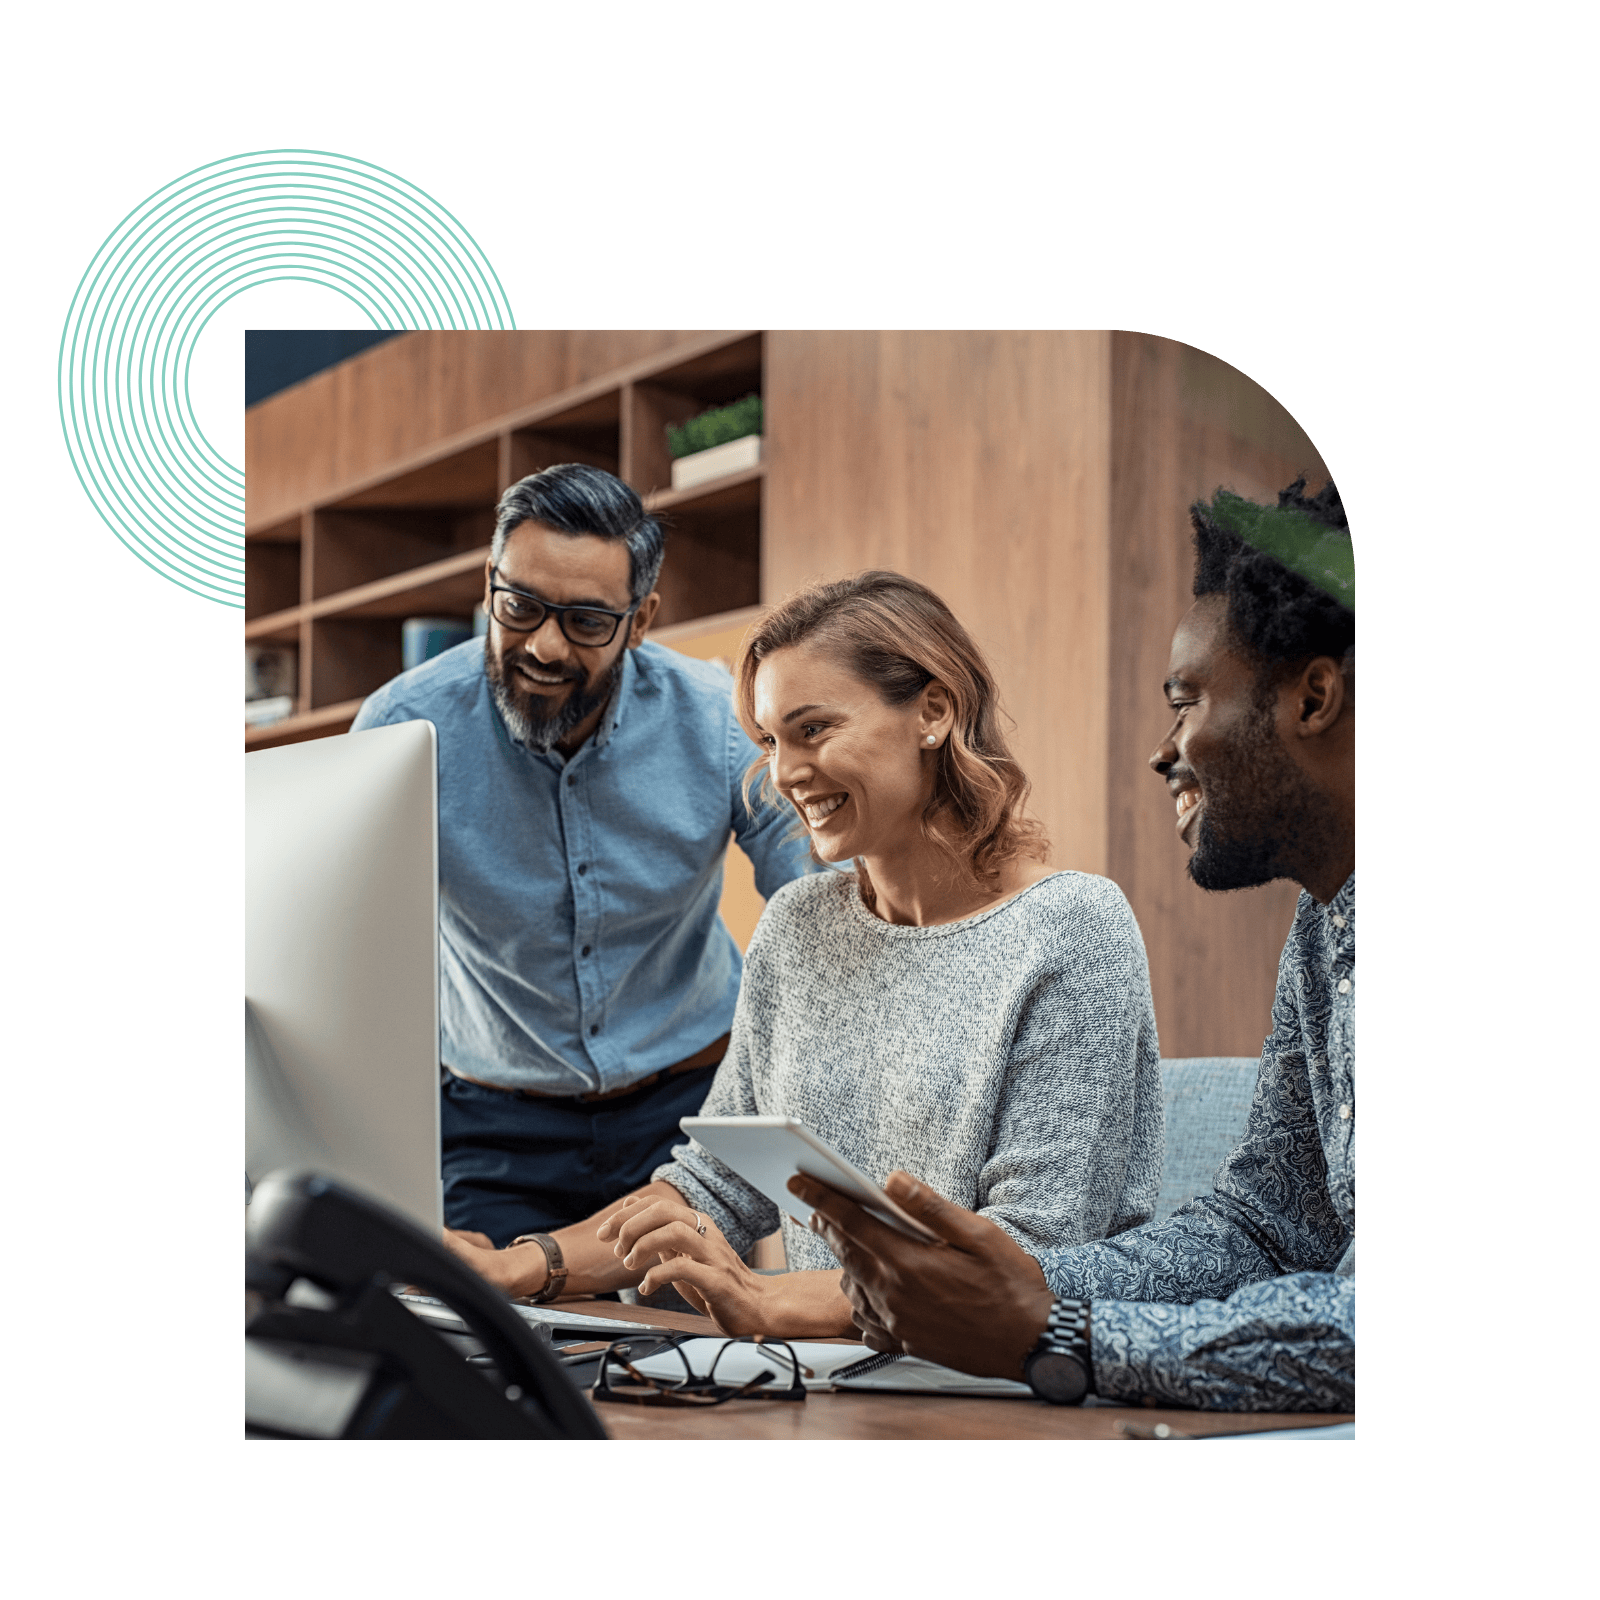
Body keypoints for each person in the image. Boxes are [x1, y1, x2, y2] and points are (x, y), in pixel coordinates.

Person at [446, 571, 1164, 1334]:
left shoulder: (1073, 929)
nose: (784, 774)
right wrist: (522, 1264)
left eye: (813, 729)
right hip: (827, 1374)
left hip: (1008, 1385)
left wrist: (766, 1301)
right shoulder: (796, 925)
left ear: (933, 711)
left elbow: (1031, 1258)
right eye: (770, 741)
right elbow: (710, 1188)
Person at [797, 478, 1357, 1412]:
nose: (1165, 750)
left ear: (1315, 696)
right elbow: (1263, 1230)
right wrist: (1017, 1284)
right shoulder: (1324, 922)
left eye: (1186, 701)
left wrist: (1058, 1334)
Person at [349, 463, 813, 1248]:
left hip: (689, 1116)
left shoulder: (716, 722)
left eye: (588, 622)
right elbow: (342, 943)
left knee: (693, 1358)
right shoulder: (401, 730)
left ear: (641, 619)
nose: (543, 645)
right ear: (489, 581)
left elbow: (818, 900)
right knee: (494, 1354)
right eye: (520, 606)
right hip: (495, 1129)